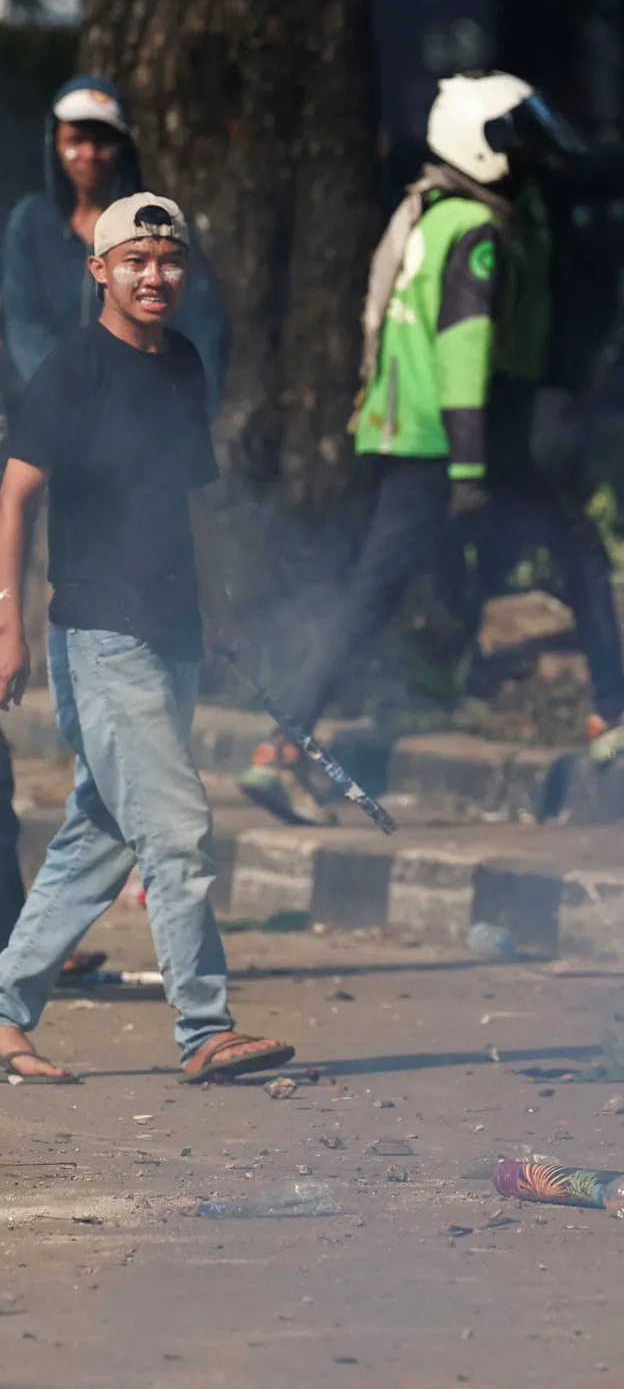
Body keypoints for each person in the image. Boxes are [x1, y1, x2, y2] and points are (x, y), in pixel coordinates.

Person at [239, 72, 624, 825]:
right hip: (454, 436)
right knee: (576, 546)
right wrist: (473, 467)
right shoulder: (476, 230)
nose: (529, 154)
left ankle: (280, 747)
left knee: (370, 593)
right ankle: (614, 710)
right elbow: (462, 351)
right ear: (482, 144)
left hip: (412, 434)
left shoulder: (431, 213)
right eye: (515, 139)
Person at [0, 193, 295, 1084]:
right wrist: (4, 624)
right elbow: (14, 497)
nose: (154, 274)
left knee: (97, 834)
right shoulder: (70, 373)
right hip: (99, 631)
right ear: (101, 272)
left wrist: (220, 604)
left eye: (168, 260)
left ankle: (3, 1012)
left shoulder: (183, 365)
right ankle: (204, 1028)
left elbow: (188, 497)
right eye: (135, 260)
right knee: (174, 828)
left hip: (172, 630)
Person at [3, 75, 230, 414]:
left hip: (140, 417)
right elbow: (22, 323)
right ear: (54, 140)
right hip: (46, 414)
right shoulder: (32, 222)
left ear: (123, 146)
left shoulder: (158, 223)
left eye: (103, 142)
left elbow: (203, 323)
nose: (89, 154)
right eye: (76, 140)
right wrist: (68, 395)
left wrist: (190, 410)